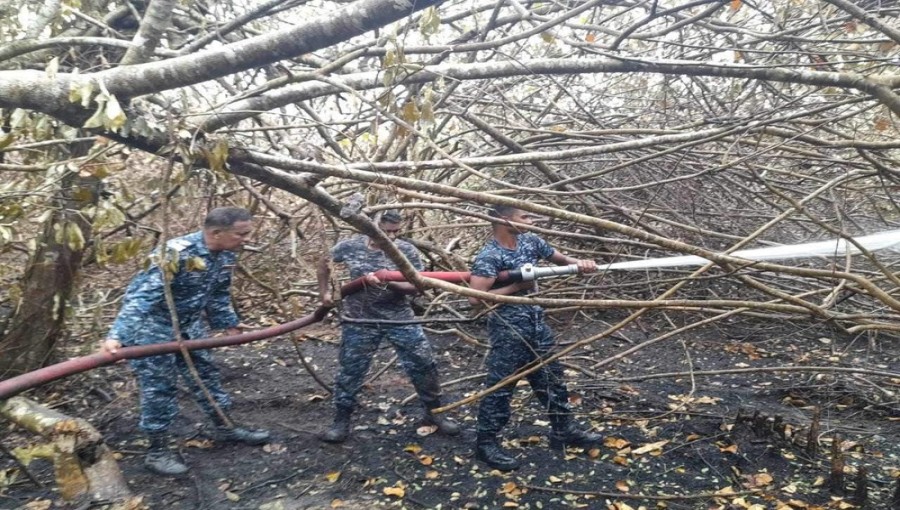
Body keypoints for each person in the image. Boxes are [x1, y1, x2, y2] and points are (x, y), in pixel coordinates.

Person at [101, 207, 270, 476]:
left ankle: (225, 427)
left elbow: (218, 293)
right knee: (159, 389)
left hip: (191, 329)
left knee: (206, 377)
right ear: (216, 233)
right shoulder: (175, 253)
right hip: (152, 331)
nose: (247, 239)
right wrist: (117, 335)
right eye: (242, 234)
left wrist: (227, 322)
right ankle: (157, 451)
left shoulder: (225, 254)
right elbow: (141, 297)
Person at [468, 205, 602, 471]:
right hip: (509, 328)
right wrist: (516, 287)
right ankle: (486, 444)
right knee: (501, 386)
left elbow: (561, 260)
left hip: (536, 323)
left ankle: (563, 432)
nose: (531, 220)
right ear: (504, 220)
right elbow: (476, 300)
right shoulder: (490, 255)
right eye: (524, 216)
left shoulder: (530, 241)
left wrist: (582, 264)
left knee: (551, 378)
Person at [317, 210, 460, 443]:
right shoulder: (350, 246)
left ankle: (434, 414)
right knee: (351, 370)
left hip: (399, 317)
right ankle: (341, 421)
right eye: (386, 231)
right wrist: (325, 292)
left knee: (423, 363)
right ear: (372, 227)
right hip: (360, 319)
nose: (391, 237)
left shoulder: (406, 251)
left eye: (396, 231)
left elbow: (417, 286)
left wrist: (388, 282)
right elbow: (324, 263)